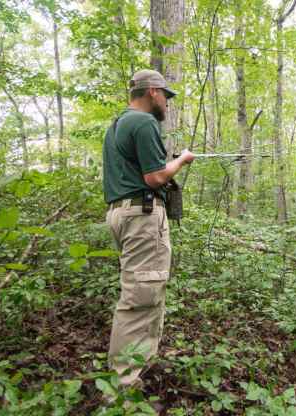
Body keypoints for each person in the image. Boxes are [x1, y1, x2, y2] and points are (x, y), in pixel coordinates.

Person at [102, 69, 194, 385]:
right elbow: (154, 177)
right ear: (153, 91)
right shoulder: (143, 122)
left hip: (123, 214)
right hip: (141, 216)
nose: (167, 104)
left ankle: (142, 366)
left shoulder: (117, 124)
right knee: (140, 297)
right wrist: (181, 161)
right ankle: (124, 385)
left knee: (149, 291)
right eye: (166, 96)